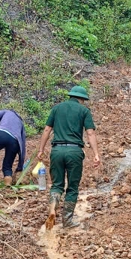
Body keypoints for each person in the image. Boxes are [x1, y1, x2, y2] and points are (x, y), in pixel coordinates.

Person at [36, 85, 101, 229]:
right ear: (82, 99)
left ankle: (52, 208)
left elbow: (47, 129)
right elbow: (90, 133)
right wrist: (96, 154)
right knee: (72, 187)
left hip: (57, 150)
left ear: (70, 96)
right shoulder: (84, 111)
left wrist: (41, 149)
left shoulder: (57, 108)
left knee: (57, 185)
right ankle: (67, 221)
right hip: (74, 152)